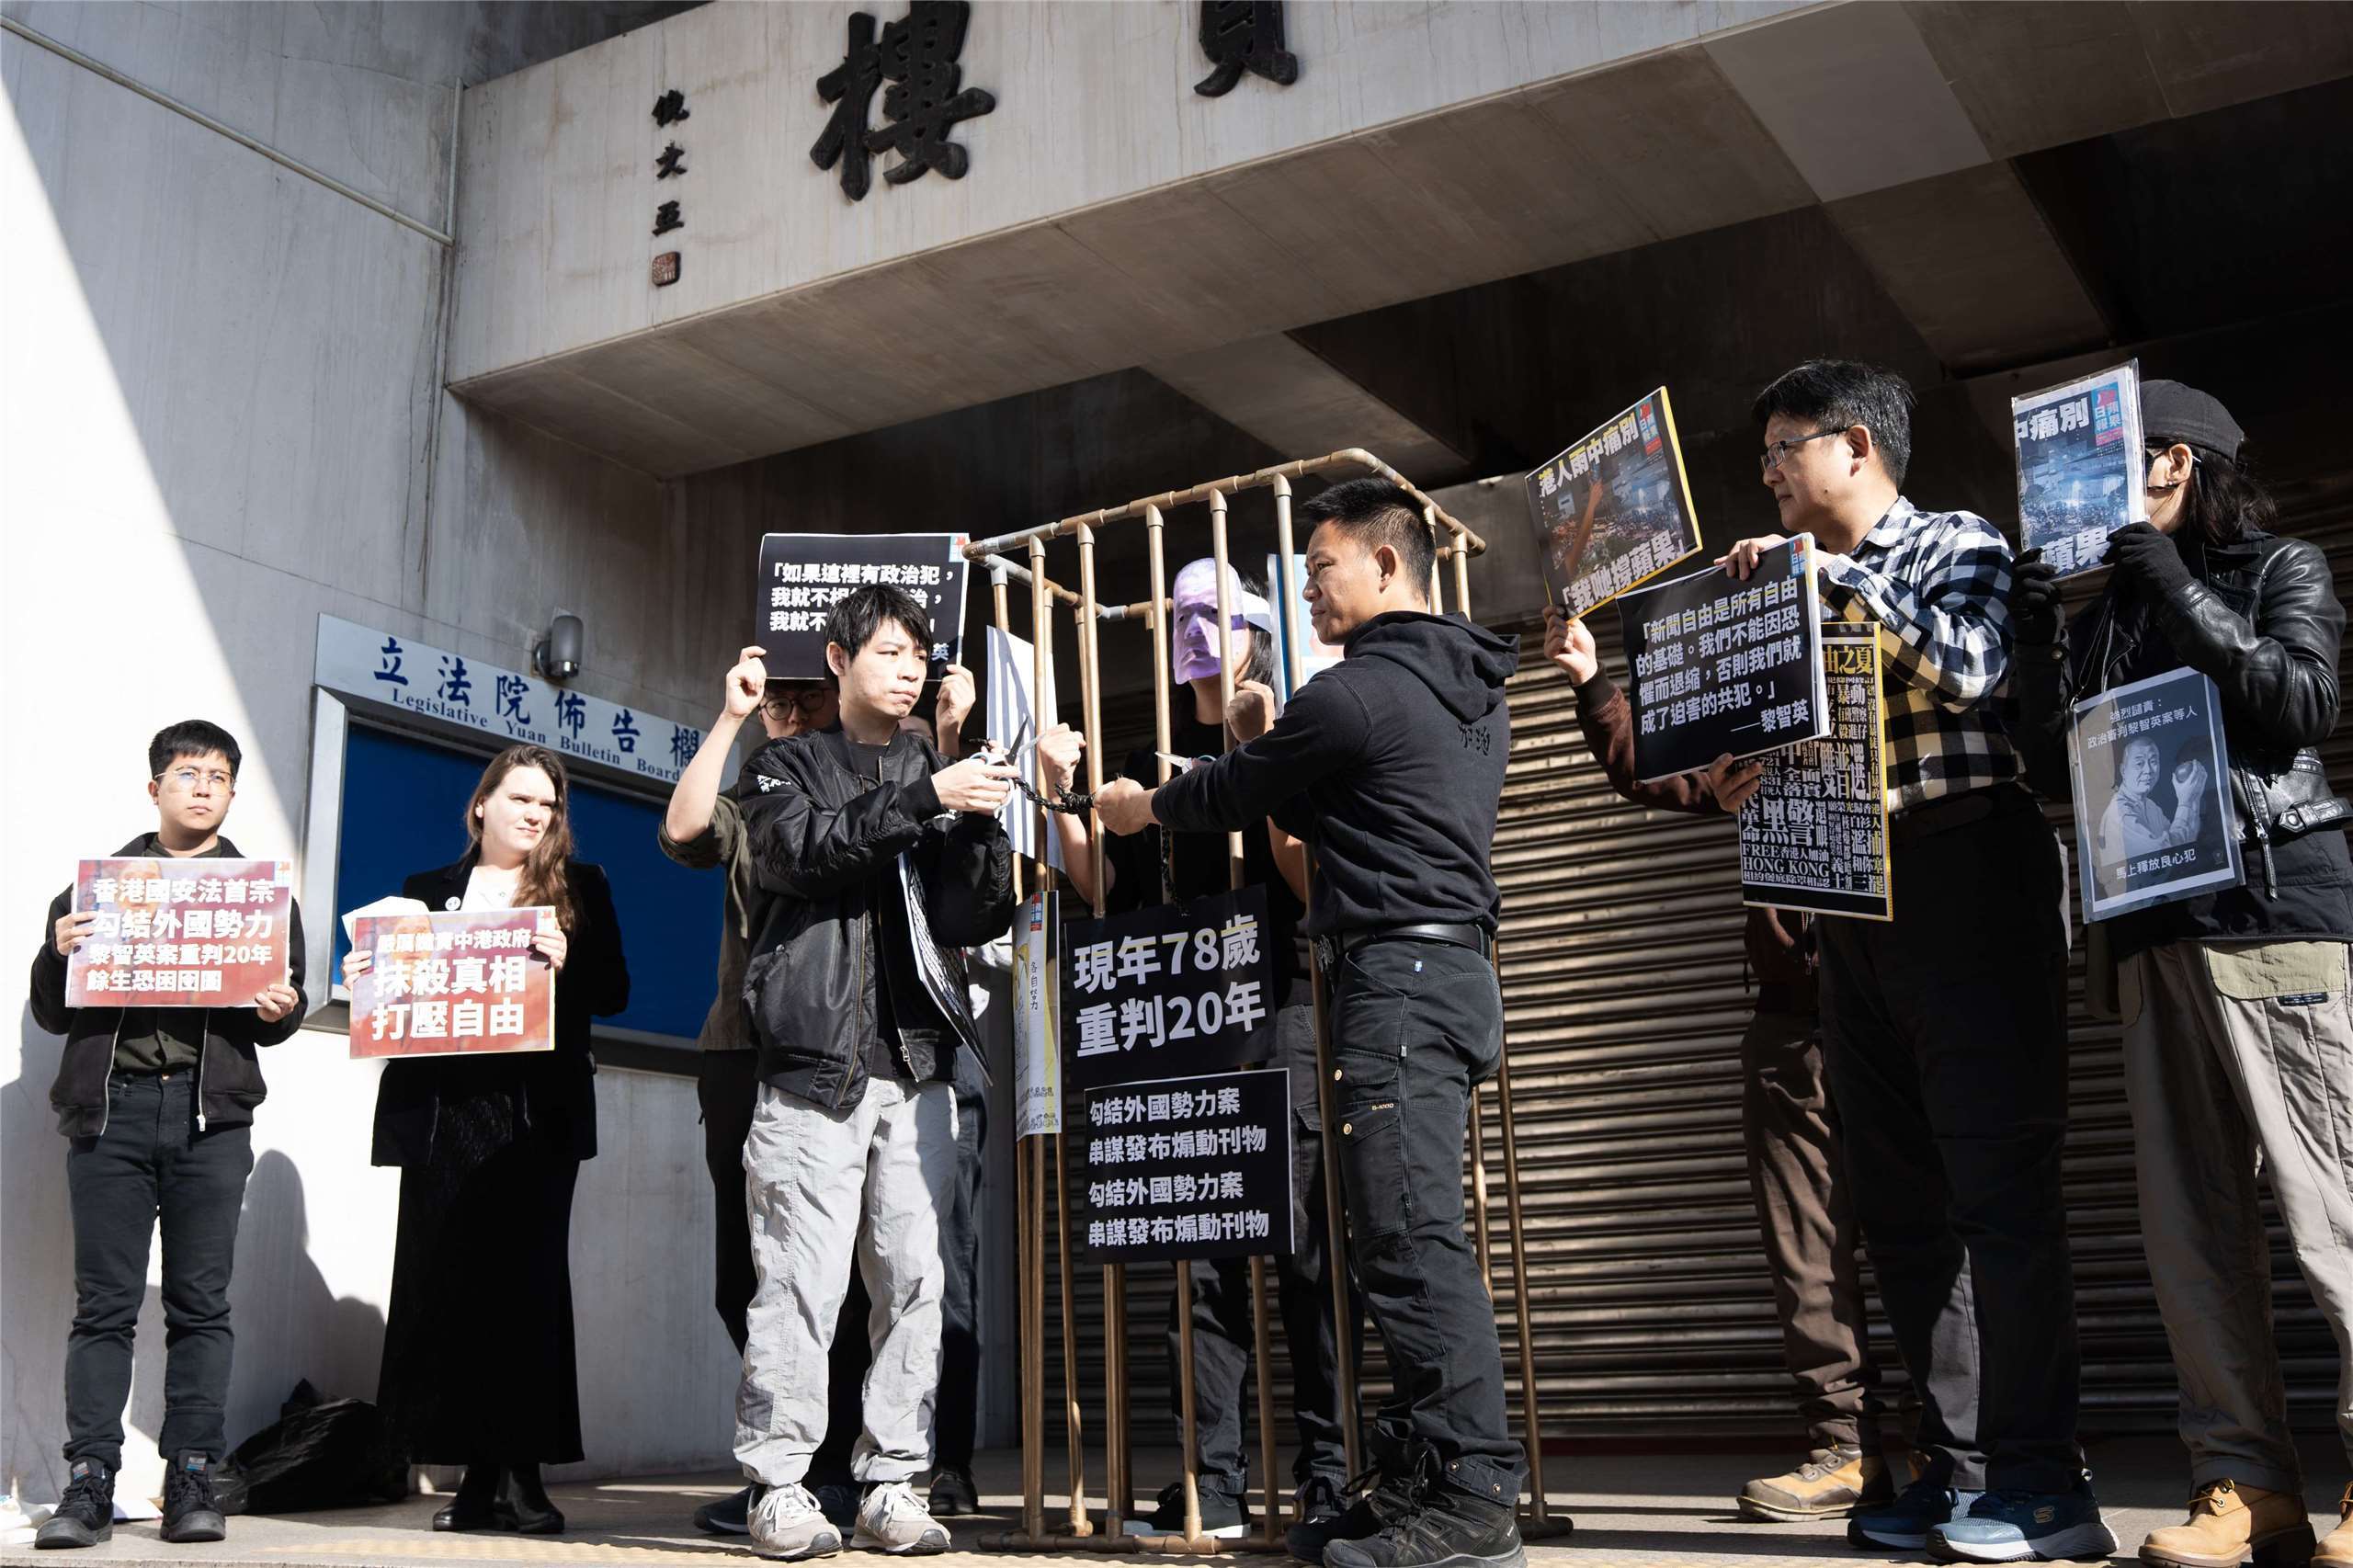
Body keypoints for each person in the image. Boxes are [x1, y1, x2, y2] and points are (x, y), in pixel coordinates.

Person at [1715, 360, 2113, 1562]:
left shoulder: (1956, 542)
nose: (1770, 475)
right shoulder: (1783, 584)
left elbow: (1974, 671)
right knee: (1901, 1209)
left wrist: (1829, 583)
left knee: (2001, 1187)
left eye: (1784, 448)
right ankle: (1960, 1465)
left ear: (1853, 447)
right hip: (1849, 900)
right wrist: (1748, 765)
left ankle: (2047, 1481)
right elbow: (1780, 740)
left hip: (1966, 873)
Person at [1097, 479, 1529, 1568]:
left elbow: (1237, 790)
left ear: (1387, 564)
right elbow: (1341, 806)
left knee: (1410, 1241)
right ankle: (1427, 1471)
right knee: (1402, 1234)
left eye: (1322, 565)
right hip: (1444, 972)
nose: (1309, 588)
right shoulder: (1467, 685)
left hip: (1394, 979)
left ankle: (1475, 1497)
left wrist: (1142, 806)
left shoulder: (1355, 693)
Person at [2011, 380, 2353, 1568]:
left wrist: (2166, 578)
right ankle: (2243, 1484)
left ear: (2184, 463)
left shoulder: (2278, 566)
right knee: (2191, 1231)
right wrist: (2031, 636)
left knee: (2334, 1209)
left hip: (2271, 915)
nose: (2108, 488)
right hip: (2152, 935)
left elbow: (2297, 701)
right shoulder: (2102, 609)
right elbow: (2065, 769)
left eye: (2134, 461)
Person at [1540, 608, 1893, 1522]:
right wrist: (1590, 681)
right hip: (1790, 1015)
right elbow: (1656, 769)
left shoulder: (1903, 680)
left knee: (1929, 1225)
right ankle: (1846, 1446)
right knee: (1805, 1246)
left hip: (1901, 996)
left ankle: (1973, 1447)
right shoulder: (1756, 726)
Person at [1056, 558, 1363, 1540]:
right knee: (1201, 1262)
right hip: (1186, 1033)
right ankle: (1209, 1482)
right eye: (1181, 614)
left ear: (1257, 629)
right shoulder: (1151, 760)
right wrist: (1069, 801)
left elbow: (1308, 879)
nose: (1195, 634)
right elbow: (1102, 889)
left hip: (1283, 1014)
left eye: (1215, 615)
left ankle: (1329, 1473)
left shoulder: (1296, 728)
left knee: (1310, 1256)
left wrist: (1260, 753)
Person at [731, 584, 1020, 1560]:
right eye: (889, 650)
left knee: (916, 1282)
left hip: (917, 1067)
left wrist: (980, 826)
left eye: (918, 653)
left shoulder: (933, 771)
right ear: (838, 656)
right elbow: (803, 851)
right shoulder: (783, 765)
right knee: (797, 1287)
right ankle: (778, 1484)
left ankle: (892, 1479)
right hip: (812, 1069)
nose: (907, 667)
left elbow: (971, 918)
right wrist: (926, 797)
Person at [31, 721, 310, 1551]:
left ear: (231, 793)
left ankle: (193, 1473)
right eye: (186, 773)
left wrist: (283, 1012)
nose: (202, 786)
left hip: (208, 1116)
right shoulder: (93, 891)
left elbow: (274, 1020)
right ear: (153, 787)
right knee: (104, 1310)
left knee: (200, 1307)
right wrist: (58, 955)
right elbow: (53, 1010)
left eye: (219, 776)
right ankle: (88, 1482)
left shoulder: (258, 897)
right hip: (110, 1114)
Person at [355, 744, 629, 1536]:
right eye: (520, 799)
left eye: (547, 804)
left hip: (532, 1115)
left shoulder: (582, 888)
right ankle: (471, 1476)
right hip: (444, 1111)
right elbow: (393, 999)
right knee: (448, 1291)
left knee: (530, 1293)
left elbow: (614, 990)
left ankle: (524, 1473)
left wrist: (567, 959)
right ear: (482, 805)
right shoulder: (426, 892)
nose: (535, 814)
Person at [659, 655, 838, 1536]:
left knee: (838, 1274)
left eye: (809, 698)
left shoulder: (862, 790)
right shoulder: (753, 799)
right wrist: (729, 718)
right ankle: (791, 1469)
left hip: (830, 1055)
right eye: (782, 700)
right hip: (739, 1050)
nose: (790, 712)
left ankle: (834, 1468)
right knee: (745, 1275)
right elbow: (686, 828)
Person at [2095, 734, 2206, 877]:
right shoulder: (2120, 813)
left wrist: (2193, 798)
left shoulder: (2151, 806)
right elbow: (2165, 854)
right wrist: (2185, 803)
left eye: (2153, 762)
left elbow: (2185, 844)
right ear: (2123, 770)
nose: (2148, 770)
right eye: (2139, 763)